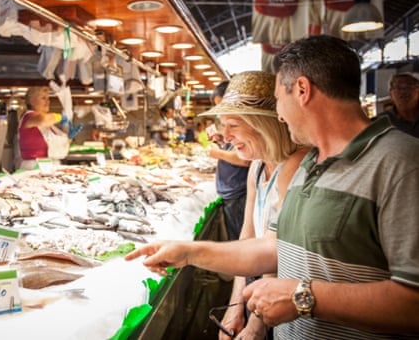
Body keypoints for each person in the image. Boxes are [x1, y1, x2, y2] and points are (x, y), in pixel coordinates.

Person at [125, 35, 419, 339]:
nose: (278, 114)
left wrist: (303, 297)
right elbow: (273, 247)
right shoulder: (311, 163)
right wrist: (189, 253)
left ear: (302, 90)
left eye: (279, 99)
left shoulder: (404, 162)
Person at [199, 71, 308, 339]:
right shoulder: (257, 167)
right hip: (262, 295)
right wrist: (236, 307)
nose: (225, 135)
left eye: (233, 125)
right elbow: (247, 238)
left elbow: (275, 254)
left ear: (262, 124)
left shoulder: (298, 165)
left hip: (290, 303)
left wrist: (255, 325)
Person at [203, 80, 251, 242]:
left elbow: (246, 160)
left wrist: (218, 153)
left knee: (238, 241)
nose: (221, 112)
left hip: (238, 195)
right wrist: (222, 142)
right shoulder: (232, 126)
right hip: (232, 194)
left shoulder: (244, 122)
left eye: (222, 105)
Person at [16, 86, 81, 170]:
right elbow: (44, 119)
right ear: (32, 101)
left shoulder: (49, 125)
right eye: (43, 98)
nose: (48, 101)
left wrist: (68, 138)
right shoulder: (29, 117)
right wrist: (61, 117)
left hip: (50, 165)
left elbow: (53, 145)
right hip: (34, 167)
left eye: (48, 98)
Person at [377, 72, 419, 138]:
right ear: (390, 94)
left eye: (409, 86)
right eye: (398, 87)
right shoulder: (381, 122)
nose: (403, 91)